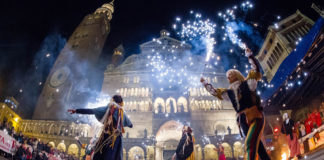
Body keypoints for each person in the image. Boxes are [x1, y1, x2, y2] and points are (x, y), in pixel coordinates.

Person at [201, 47, 270, 160]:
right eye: (228, 75)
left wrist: (250, 56)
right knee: (258, 146)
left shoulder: (248, 83)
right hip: (242, 120)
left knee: (249, 144)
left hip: (254, 115)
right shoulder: (228, 92)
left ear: (237, 74)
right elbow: (215, 92)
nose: (229, 76)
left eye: (231, 73)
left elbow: (256, 70)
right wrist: (205, 83)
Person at [68, 95, 133, 160]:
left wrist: (76, 111)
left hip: (107, 137)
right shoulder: (121, 112)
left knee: (101, 155)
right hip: (117, 139)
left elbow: (92, 111)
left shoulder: (108, 108)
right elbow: (130, 125)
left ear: (113, 100)